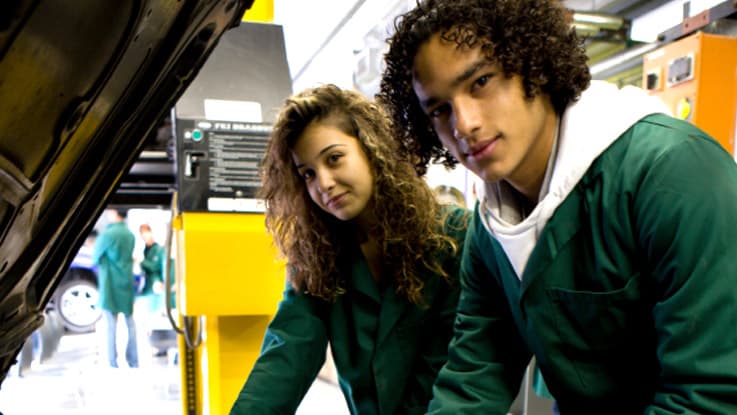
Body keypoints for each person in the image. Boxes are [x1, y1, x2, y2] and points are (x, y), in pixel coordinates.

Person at [378, 0, 737, 413]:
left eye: (481, 82)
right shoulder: (491, 230)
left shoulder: (671, 172)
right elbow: (476, 374)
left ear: (534, 63)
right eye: (439, 109)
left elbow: (711, 396)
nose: (464, 124)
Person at [229, 84, 469, 415]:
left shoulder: (452, 237)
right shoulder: (318, 258)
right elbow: (289, 350)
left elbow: (455, 367)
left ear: (373, 149)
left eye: (334, 158)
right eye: (308, 174)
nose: (323, 183)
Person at [93, 208, 138, 369]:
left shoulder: (107, 235)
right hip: (126, 282)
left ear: (115, 213)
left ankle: (113, 361)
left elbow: (95, 258)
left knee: (110, 326)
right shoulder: (130, 235)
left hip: (110, 285)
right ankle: (134, 360)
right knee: (130, 324)